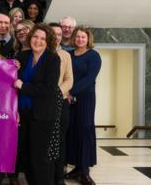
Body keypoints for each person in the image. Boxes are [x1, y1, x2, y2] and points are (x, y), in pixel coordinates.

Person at [14, 23, 60, 185]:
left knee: (40, 159)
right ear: (30, 37)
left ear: (48, 41)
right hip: (23, 114)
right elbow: (11, 80)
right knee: (26, 158)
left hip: (42, 116)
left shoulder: (53, 59)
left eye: (42, 38)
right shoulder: (22, 56)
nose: (38, 41)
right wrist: (12, 68)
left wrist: (23, 86)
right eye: (35, 37)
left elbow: (49, 88)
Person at [66, 27, 102, 185]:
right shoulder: (69, 55)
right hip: (68, 99)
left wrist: (71, 91)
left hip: (85, 98)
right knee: (71, 130)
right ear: (74, 38)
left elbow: (89, 78)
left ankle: (85, 171)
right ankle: (77, 167)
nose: (80, 39)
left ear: (88, 39)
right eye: (78, 36)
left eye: (83, 37)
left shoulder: (93, 56)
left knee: (84, 130)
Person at [49, 23, 74, 185]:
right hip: (42, 104)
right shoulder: (38, 52)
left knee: (60, 141)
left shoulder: (65, 55)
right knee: (44, 141)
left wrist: (56, 93)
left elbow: (69, 79)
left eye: (59, 34)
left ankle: (59, 176)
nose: (57, 36)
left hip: (60, 102)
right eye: (53, 33)